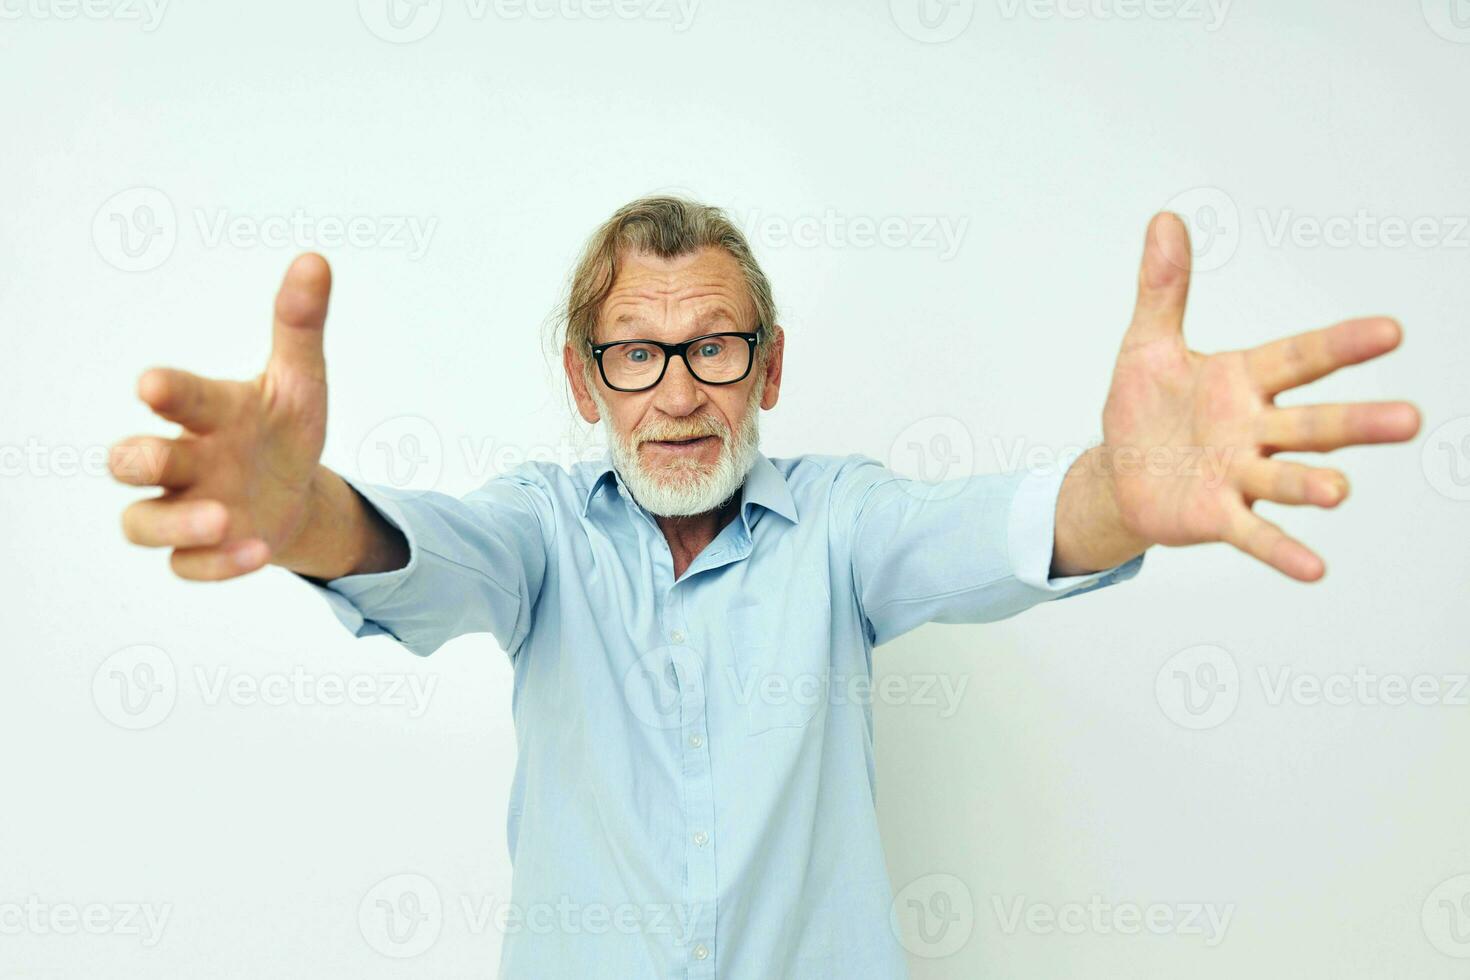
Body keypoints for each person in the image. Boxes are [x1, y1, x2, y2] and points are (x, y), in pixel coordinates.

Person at [108, 197, 1420, 978]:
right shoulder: (540, 535)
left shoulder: (840, 526)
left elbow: (996, 527)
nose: (677, 390)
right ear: (582, 383)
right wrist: (305, 516)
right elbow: (419, 548)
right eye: (634, 355)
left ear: (769, 368)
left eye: (713, 347)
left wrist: (1119, 496)